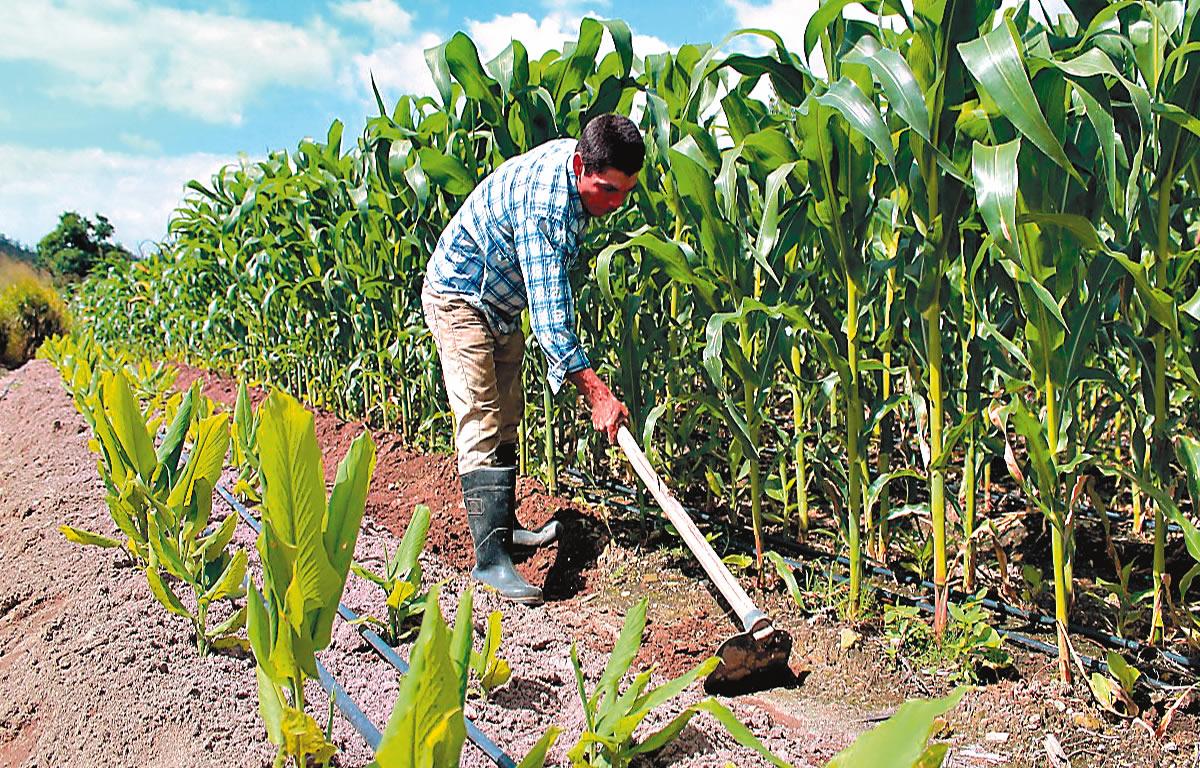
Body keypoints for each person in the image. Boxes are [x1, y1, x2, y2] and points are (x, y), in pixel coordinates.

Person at [421, 113, 644, 605]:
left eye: (625, 192)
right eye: (607, 190)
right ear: (581, 165)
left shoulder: (580, 171)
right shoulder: (547, 202)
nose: (615, 203)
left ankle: (506, 529)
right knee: (480, 416)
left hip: (501, 302)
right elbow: (550, 318)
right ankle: (491, 561)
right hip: (460, 296)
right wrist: (597, 392)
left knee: (507, 417)